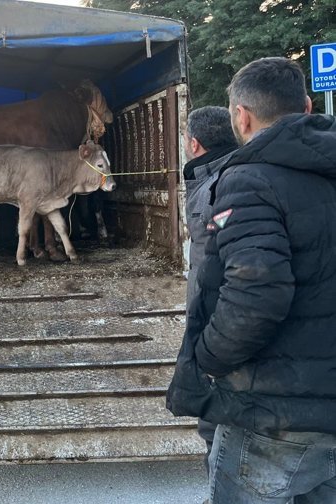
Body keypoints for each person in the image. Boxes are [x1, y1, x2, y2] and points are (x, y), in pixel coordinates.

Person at [167, 57, 336, 503]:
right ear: (306, 104)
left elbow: (256, 292)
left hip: (273, 412)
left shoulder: (248, 180)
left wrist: (207, 359)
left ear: (240, 116)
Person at [181, 105, 238, 463]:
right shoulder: (211, 179)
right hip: (218, 321)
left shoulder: (222, 186)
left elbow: (234, 272)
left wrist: (209, 342)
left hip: (220, 326)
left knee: (218, 420)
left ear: (193, 143)